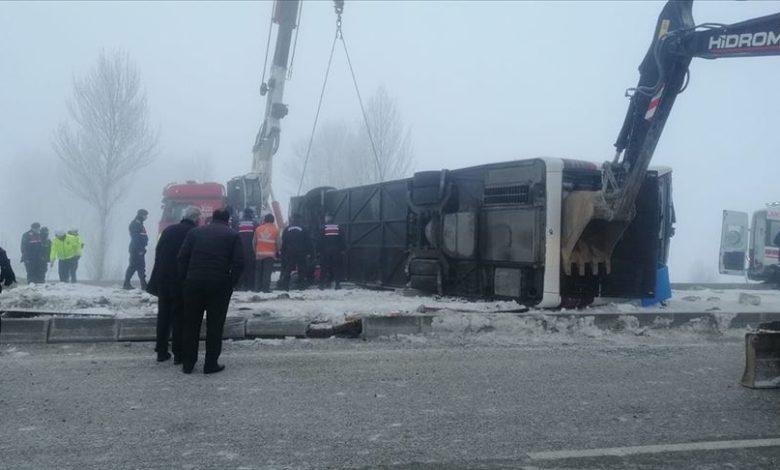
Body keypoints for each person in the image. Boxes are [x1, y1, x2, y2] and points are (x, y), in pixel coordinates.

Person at [177, 208, 243, 374]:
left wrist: (186, 278)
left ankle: (188, 363)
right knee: (215, 325)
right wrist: (230, 283)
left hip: (194, 283)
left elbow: (182, 257)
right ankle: (210, 364)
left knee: (191, 324)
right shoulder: (232, 235)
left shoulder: (194, 233)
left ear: (212, 218)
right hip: (219, 284)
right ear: (227, 220)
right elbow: (239, 263)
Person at [147, 206, 200, 364]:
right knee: (179, 316)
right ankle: (178, 353)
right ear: (197, 219)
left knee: (163, 315)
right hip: (181, 280)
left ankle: (161, 351)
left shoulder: (168, 230)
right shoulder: (193, 233)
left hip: (163, 278)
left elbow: (158, 252)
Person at [278, 214, 311, 291]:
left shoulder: (287, 229)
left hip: (290, 252)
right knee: (302, 269)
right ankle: (301, 285)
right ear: (300, 219)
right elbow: (308, 242)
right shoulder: (303, 229)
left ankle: (285, 286)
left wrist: (283, 253)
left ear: (292, 219)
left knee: (288, 269)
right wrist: (310, 252)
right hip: (301, 252)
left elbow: (284, 242)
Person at [318, 213, 346, 290]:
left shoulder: (323, 228)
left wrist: (319, 250)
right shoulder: (339, 228)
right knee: (336, 267)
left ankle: (321, 284)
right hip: (336, 251)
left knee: (324, 267)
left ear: (327, 218)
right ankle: (337, 284)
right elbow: (342, 240)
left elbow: (319, 240)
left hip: (325, 251)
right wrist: (343, 249)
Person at [253, 213, 279, 293]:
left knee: (258, 272)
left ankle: (257, 288)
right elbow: (279, 243)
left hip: (259, 254)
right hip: (270, 255)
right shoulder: (275, 230)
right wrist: (276, 251)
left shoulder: (258, 229)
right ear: (273, 220)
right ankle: (265, 289)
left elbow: (254, 242)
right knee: (267, 273)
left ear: (265, 220)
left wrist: (256, 252)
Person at [124, 209, 149, 290]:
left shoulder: (139, 224)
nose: (146, 217)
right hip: (136, 249)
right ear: (141, 215)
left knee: (140, 267)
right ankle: (126, 284)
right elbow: (136, 239)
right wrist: (139, 250)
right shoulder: (135, 224)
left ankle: (144, 285)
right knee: (133, 267)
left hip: (139, 249)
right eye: (145, 215)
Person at [237, 208, 257, 291]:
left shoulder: (239, 223)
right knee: (251, 268)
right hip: (251, 249)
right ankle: (250, 285)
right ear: (251, 214)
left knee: (241, 268)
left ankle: (239, 285)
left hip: (240, 248)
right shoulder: (254, 223)